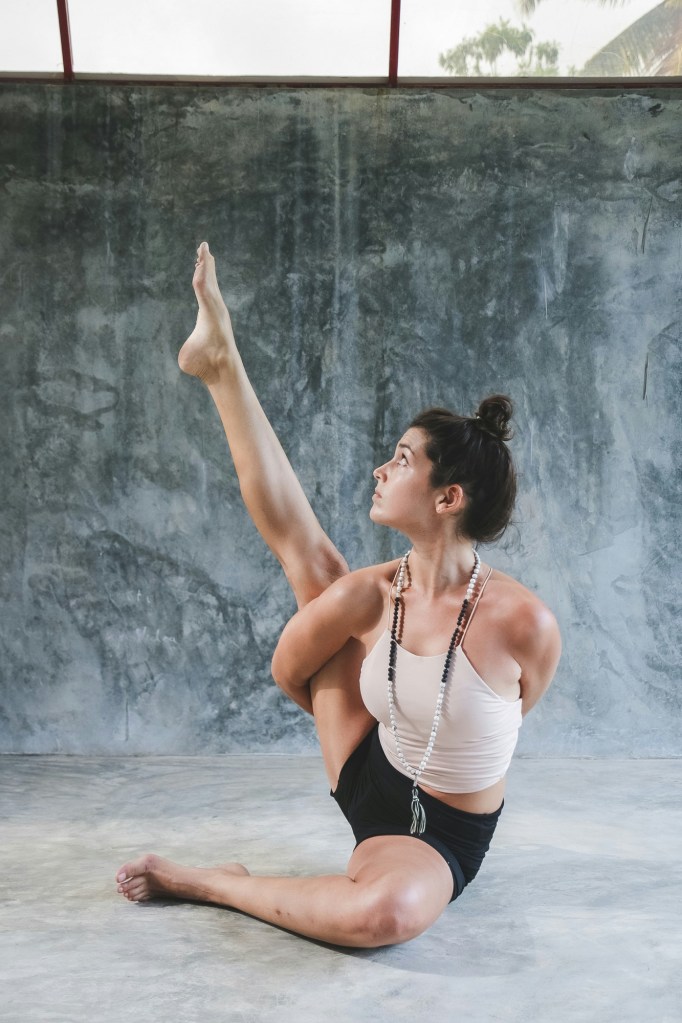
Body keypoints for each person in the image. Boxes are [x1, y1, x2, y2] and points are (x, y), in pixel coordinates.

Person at [115, 242, 561, 948]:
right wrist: (344, 698)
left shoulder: (524, 623)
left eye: (403, 460)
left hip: (442, 830)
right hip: (366, 765)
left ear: (448, 497)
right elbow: (287, 667)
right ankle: (221, 363)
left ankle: (210, 880)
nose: (382, 469)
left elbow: (510, 715)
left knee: (382, 916)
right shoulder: (375, 594)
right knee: (313, 561)